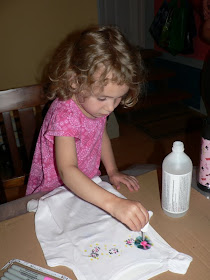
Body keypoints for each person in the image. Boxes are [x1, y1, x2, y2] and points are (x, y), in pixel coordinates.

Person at [26, 25, 149, 232]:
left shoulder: (96, 107)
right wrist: (114, 204)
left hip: (88, 186)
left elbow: (100, 135)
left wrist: (112, 171)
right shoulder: (64, 114)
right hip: (53, 194)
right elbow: (67, 171)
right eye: (103, 98)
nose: (110, 107)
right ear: (75, 82)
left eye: (117, 98)